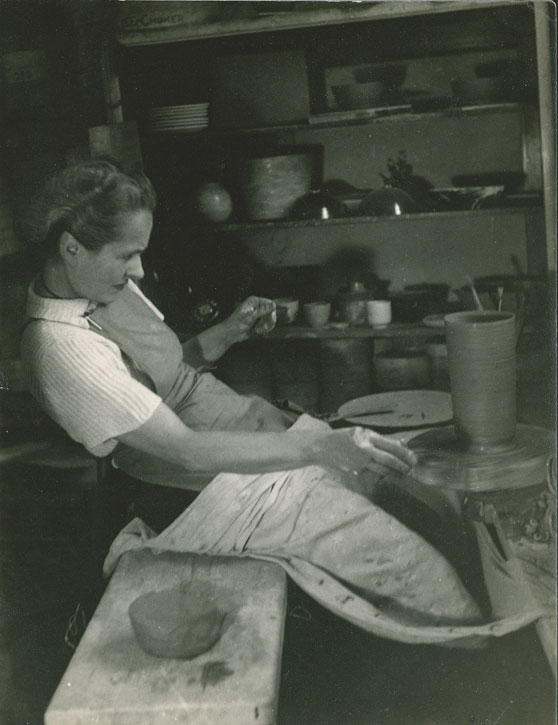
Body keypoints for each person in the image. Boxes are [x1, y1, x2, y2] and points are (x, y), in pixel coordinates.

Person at [20, 160, 544, 647]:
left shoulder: (96, 287)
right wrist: (317, 449)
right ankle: (484, 651)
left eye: (140, 252)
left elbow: (161, 374)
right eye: (126, 255)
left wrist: (228, 332)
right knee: (393, 551)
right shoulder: (62, 348)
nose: (138, 271)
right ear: (70, 248)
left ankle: (491, 605)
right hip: (191, 493)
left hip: (221, 440)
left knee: (408, 484)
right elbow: (185, 452)